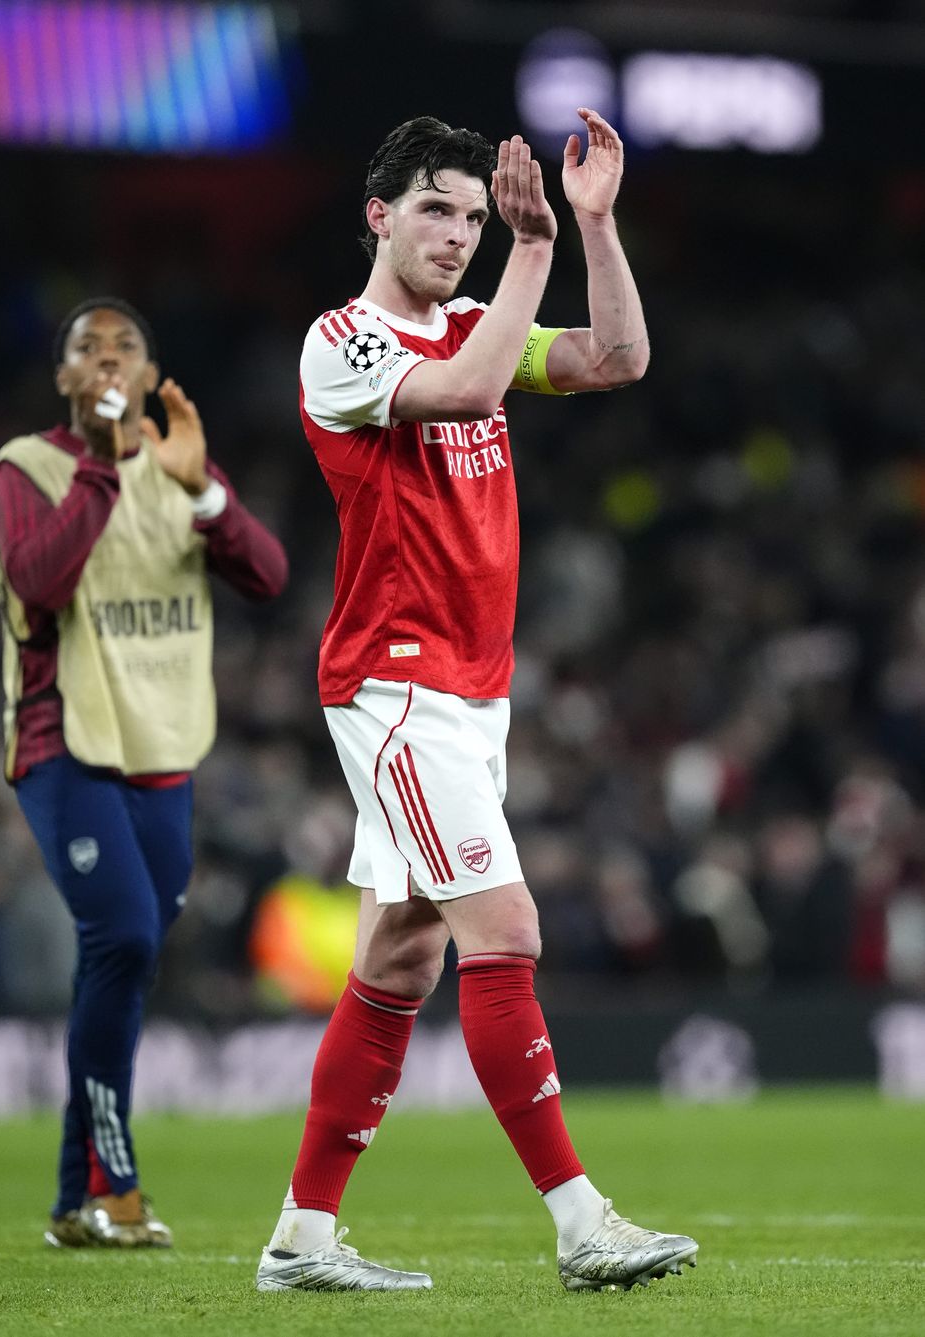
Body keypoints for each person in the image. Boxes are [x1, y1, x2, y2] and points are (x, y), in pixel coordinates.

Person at [255, 110, 698, 1294]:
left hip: (470, 690)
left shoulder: (471, 321)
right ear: (377, 215)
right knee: (503, 933)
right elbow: (458, 393)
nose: (458, 236)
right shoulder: (341, 342)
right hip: (396, 685)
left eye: (469, 214)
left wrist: (591, 227)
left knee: (399, 959)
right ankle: (580, 1220)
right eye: (436, 212)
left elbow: (616, 360)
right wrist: (531, 250)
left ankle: (302, 1235)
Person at [0, 297, 288, 1249]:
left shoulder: (177, 470)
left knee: (127, 954)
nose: (109, 359)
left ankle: (74, 1198)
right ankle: (113, 1181)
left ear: (154, 374)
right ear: (65, 377)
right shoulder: (28, 469)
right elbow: (38, 585)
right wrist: (110, 471)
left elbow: (269, 575)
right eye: (90, 348)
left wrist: (205, 495)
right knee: (120, 935)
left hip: (161, 746)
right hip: (63, 739)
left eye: (127, 346)